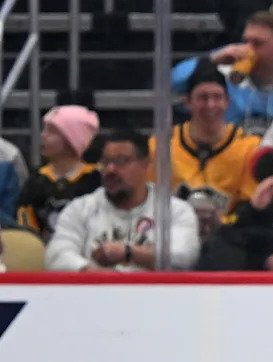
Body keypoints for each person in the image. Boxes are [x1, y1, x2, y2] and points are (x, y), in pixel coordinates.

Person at [45, 130, 200, 272]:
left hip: (154, 292)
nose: (110, 169)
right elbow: (56, 256)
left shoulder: (174, 210)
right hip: (96, 291)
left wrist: (128, 253)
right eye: (105, 162)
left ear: (145, 163)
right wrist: (94, 274)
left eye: (121, 161)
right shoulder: (80, 208)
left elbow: (184, 255)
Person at [149, 60, 261, 239]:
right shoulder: (160, 145)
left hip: (228, 238)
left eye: (217, 97)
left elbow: (250, 208)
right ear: (187, 102)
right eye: (202, 98)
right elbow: (148, 200)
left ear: (227, 102)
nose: (210, 105)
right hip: (172, 235)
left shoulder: (249, 147)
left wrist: (222, 224)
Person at [172, 11, 273, 136]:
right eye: (245, 42)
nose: (248, 49)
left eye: (257, 44)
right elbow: (172, 84)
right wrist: (212, 59)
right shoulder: (223, 77)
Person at [15, 105, 101, 240]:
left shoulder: (96, 179)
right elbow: (25, 220)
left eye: (51, 132)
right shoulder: (37, 180)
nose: (43, 135)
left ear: (72, 139)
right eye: (44, 130)